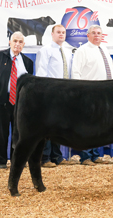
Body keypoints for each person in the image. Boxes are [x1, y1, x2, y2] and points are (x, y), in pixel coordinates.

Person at [0, 31, 33, 169]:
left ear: (23, 45)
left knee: (19, 133)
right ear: (9, 42)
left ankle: (17, 160)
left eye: (20, 42)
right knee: (0, 133)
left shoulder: (28, 62)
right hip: (1, 100)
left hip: (20, 103)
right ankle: (1, 161)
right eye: (15, 41)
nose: (17, 44)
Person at [71, 25, 113, 166]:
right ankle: (85, 156)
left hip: (104, 94)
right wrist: (79, 94)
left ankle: (96, 155)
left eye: (99, 33)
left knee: (99, 126)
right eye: (93, 33)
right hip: (88, 93)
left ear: (102, 36)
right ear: (87, 36)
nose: (96, 35)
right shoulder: (82, 51)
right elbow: (75, 72)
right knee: (87, 126)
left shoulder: (104, 50)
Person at [35, 24, 76, 167]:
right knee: (46, 126)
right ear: (52, 34)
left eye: (63, 32)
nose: (61, 35)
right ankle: (44, 158)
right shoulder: (45, 50)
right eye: (58, 32)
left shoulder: (67, 51)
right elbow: (41, 73)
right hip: (49, 94)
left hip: (64, 94)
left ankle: (57, 156)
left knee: (58, 126)